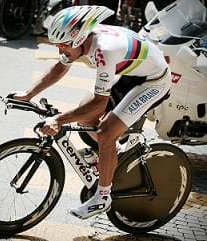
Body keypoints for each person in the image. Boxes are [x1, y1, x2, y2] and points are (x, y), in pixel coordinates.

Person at [14, 5, 171, 219]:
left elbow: (99, 103)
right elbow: (61, 66)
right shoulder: (82, 38)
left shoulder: (103, 51)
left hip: (153, 82)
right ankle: (112, 152)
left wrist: (58, 120)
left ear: (78, 40)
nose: (61, 51)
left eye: (63, 47)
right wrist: (28, 94)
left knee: (106, 131)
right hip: (131, 72)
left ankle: (103, 198)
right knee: (86, 119)